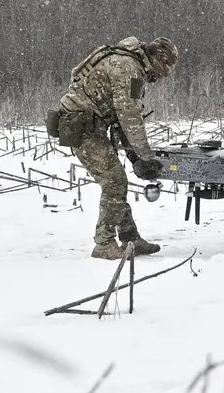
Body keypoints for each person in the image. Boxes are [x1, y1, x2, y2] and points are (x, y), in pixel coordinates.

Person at [49, 35, 180, 259]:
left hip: (91, 125)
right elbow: (129, 116)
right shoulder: (130, 69)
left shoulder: (128, 62)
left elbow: (121, 118)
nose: (164, 75)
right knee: (115, 182)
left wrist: (135, 157)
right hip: (82, 127)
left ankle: (130, 238)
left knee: (116, 181)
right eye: (165, 68)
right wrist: (146, 157)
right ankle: (104, 244)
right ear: (157, 59)